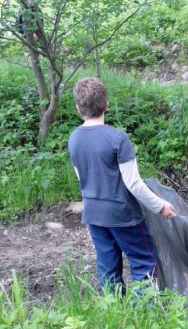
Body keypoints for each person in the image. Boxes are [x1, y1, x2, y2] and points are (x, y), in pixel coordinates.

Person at [68, 77, 176, 295]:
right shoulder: (117, 138)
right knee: (144, 262)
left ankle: (115, 312)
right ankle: (144, 313)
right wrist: (160, 206)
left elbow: (82, 176)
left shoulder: (74, 138)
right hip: (123, 215)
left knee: (108, 266)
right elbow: (134, 184)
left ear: (78, 107)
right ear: (107, 105)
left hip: (94, 213)